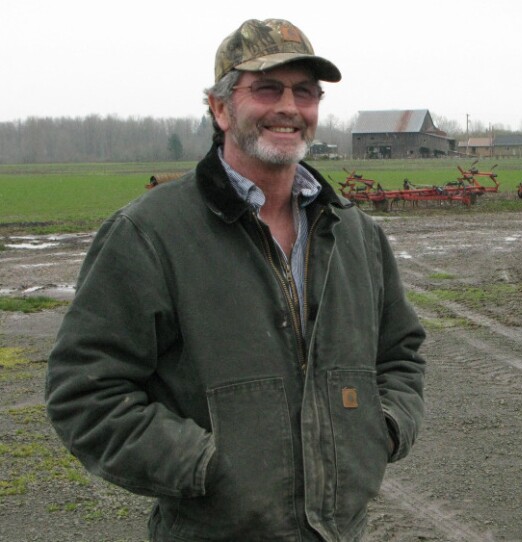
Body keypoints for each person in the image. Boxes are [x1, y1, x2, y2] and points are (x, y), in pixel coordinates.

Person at [45, 18, 426, 542]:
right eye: (266, 88)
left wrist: (379, 430)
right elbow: (85, 392)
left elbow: (401, 353)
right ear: (220, 108)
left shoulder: (355, 233)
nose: (289, 107)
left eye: (305, 91)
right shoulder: (150, 234)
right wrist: (204, 466)